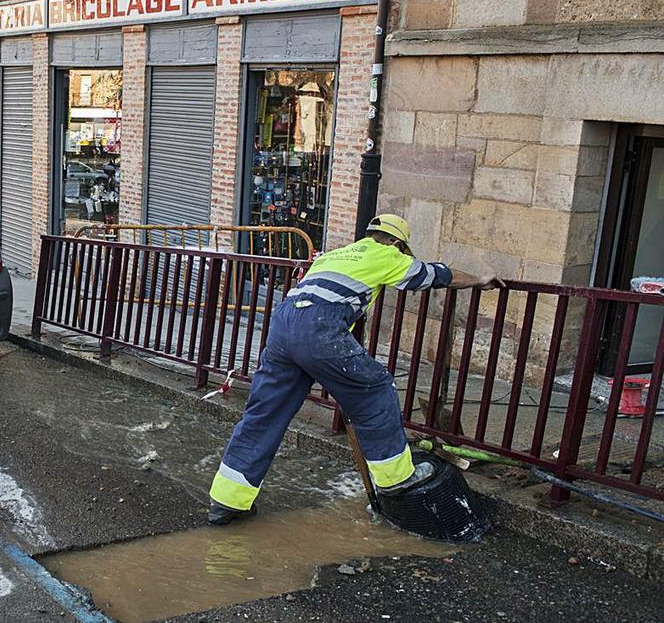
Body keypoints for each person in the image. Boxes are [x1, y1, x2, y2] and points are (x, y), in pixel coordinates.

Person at [208, 214, 504, 525]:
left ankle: (228, 501)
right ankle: (395, 478)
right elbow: (431, 275)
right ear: (396, 242)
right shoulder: (385, 253)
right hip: (319, 328)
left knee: (264, 413)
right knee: (374, 390)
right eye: (402, 250)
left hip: (284, 324)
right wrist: (479, 279)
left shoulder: (335, 254)